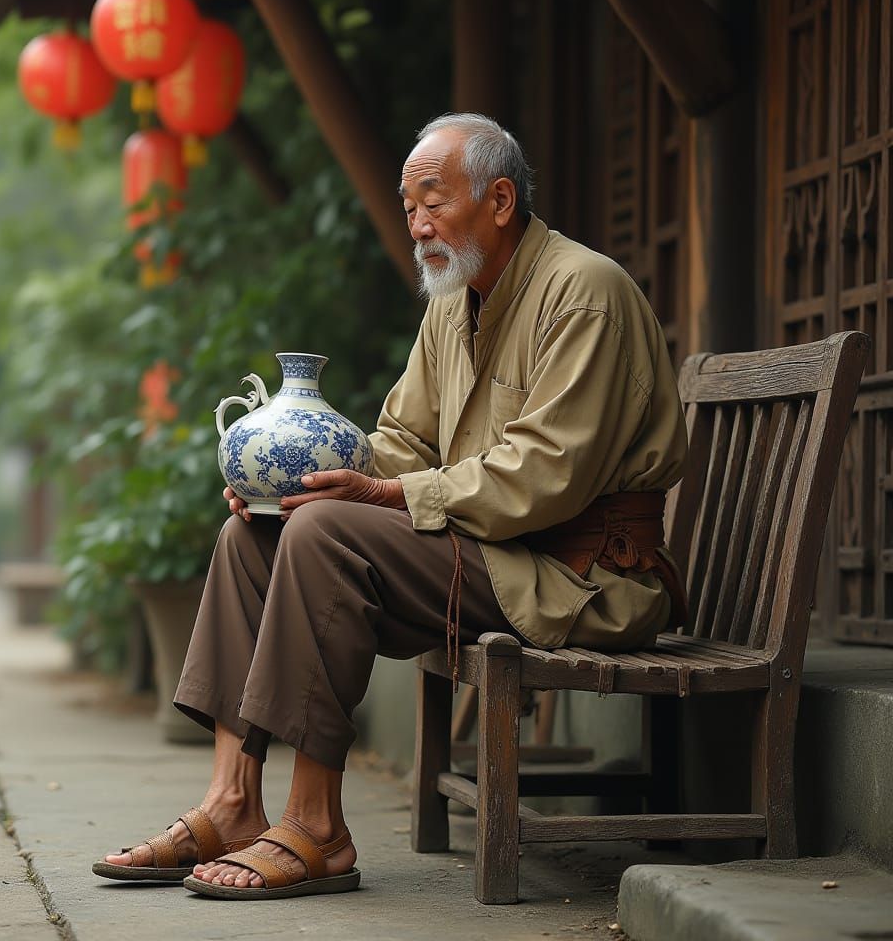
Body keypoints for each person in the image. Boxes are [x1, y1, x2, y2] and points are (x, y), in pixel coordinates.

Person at [92, 113, 688, 899]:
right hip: (489, 557)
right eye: (409, 207)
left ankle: (316, 827)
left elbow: (548, 475)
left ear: (500, 200)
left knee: (328, 532)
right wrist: (289, 487)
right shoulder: (453, 301)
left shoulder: (585, 293)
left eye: (432, 202)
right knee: (258, 538)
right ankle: (233, 801)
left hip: (575, 577)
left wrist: (383, 495)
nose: (417, 226)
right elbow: (401, 439)